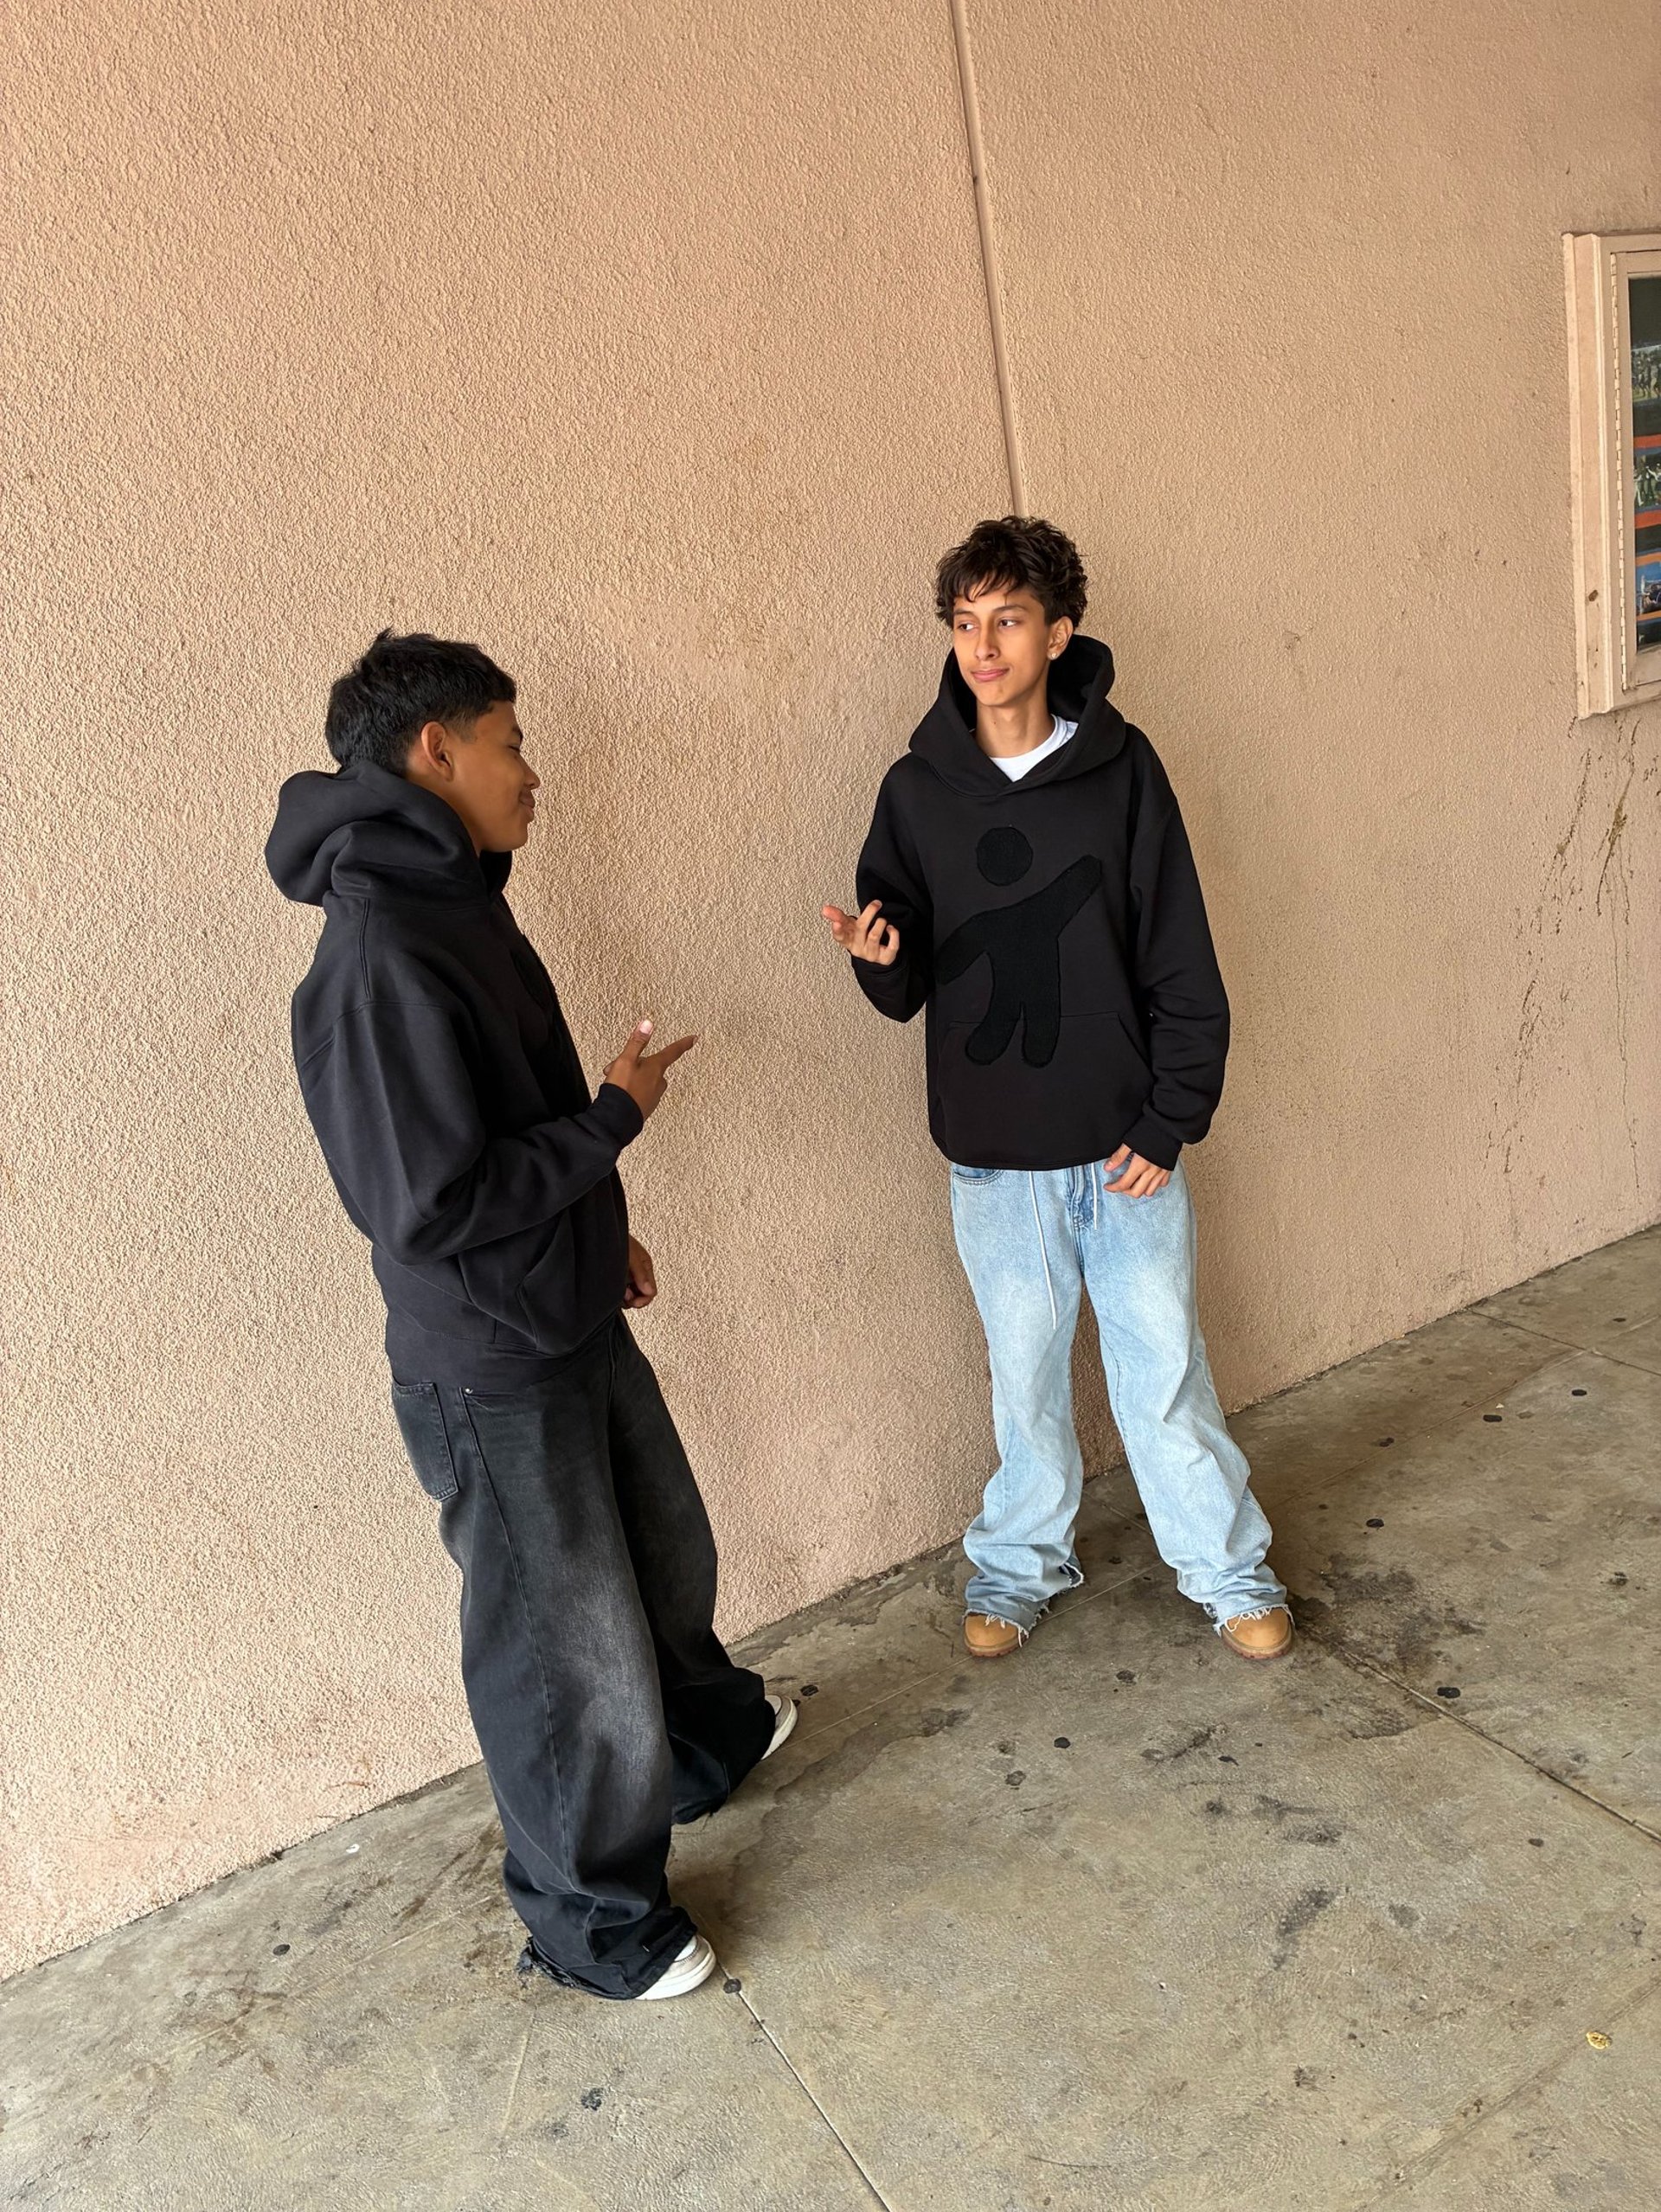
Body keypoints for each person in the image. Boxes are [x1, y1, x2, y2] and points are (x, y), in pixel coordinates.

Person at [266, 631, 792, 2001]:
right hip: (489, 1363)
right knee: (565, 1653)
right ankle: (588, 1925)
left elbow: (505, 1119)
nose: (532, 772)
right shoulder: (381, 951)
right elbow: (426, 1205)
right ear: (433, 752)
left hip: (560, 1310)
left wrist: (598, 1228)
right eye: (508, 741)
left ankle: (696, 1753)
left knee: (664, 1551)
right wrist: (616, 1124)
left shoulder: (455, 898)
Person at [824, 517, 1292, 1664]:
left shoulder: (1122, 775)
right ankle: (1016, 1569)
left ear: (1059, 632)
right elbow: (905, 973)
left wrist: (1173, 1113)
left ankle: (1229, 1574)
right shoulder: (917, 790)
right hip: (994, 1158)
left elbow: (1179, 953)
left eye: (1009, 620)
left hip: (1126, 1147)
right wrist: (877, 960)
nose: (983, 646)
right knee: (1024, 1386)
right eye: (966, 623)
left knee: (1164, 1376)